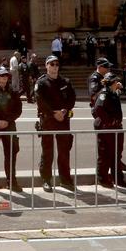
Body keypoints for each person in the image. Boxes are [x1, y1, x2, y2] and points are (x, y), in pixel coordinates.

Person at [34, 55, 76, 191]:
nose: (54, 66)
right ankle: (46, 179)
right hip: (48, 120)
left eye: (57, 64)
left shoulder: (65, 81)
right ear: (46, 66)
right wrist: (53, 113)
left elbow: (72, 98)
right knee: (47, 152)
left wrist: (64, 111)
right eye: (51, 64)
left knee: (64, 151)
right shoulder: (41, 83)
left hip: (63, 120)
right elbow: (40, 101)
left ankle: (65, 179)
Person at [92, 74, 126, 188]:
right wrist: (109, 122)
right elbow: (98, 109)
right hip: (106, 128)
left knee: (116, 154)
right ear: (112, 82)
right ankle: (103, 178)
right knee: (105, 154)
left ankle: (118, 178)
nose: (118, 83)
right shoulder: (104, 94)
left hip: (115, 128)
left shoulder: (113, 92)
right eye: (116, 81)